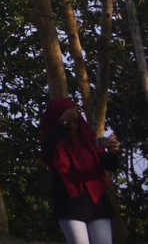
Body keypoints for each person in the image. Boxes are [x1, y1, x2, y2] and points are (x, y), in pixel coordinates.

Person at [41, 97, 120, 244]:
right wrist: (63, 123)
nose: (73, 125)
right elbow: (47, 152)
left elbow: (110, 165)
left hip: (96, 201)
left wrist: (114, 152)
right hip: (69, 202)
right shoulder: (54, 141)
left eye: (75, 120)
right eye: (67, 122)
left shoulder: (88, 138)